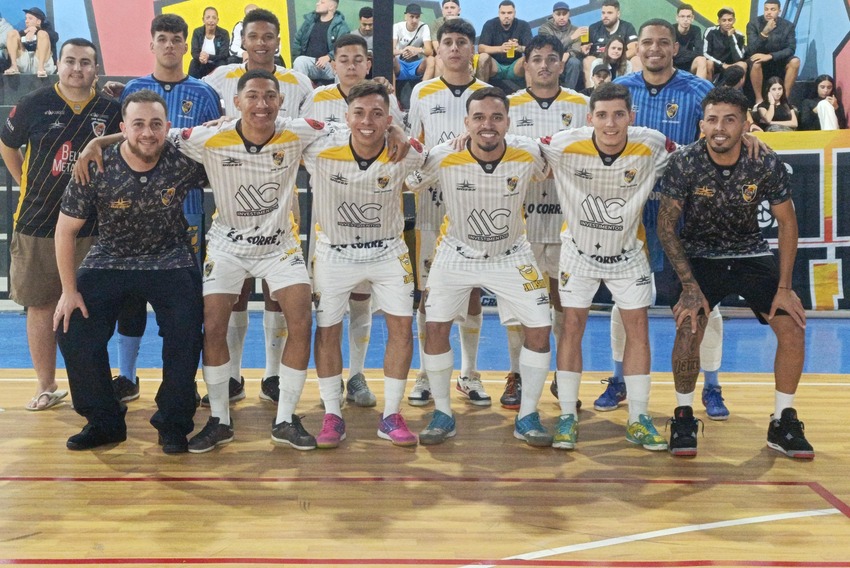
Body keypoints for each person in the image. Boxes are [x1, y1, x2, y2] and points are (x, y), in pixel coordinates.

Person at [658, 86, 813, 460]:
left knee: (791, 325)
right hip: (699, 255)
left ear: (745, 124)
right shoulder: (684, 163)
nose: (720, 127)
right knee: (688, 325)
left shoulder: (765, 162)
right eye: (712, 119)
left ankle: (782, 420)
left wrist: (784, 287)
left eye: (730, 119)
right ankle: (683, 416)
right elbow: (666, 227)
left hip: (750, 253)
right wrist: (690, 286)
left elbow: (788, 224)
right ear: (701, 125)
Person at [55, 90, 206, 454]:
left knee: (186, 329)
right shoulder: (95, 165)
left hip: (169, 259)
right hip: (110, 258)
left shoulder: (183, 157)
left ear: (168, 128)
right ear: (123, 128)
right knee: (72, 327)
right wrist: (68, 291)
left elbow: (234, 138)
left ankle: (172, 422)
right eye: (138, 124)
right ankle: (104, 421)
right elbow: (66, 230)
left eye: (156, 124)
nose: (147, 133)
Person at [406, 87, 553, 447]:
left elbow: (552, 166)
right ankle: (443, 412)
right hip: (457, 251)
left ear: (508, 121)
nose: (488, 125)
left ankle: (528, 414)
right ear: (466, 122)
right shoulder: (443, 156)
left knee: (540, 327)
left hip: (512, 253)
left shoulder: (528, 153)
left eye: (496, 117)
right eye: (479, 118)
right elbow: (409, 179)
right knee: (435, 325)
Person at [541, 82, 673, 451]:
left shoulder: (652, 143)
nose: (610, 124)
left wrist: (749, 139)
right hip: (578, 254)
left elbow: (695, 153)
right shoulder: (563, 144)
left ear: (631, 116)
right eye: (602, 115)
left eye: (618, 115)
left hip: (628, 253)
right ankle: (567, 414)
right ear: (590, 118)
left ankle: (638, 417)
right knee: (571, 328)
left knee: (639, 330)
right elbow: (517, 150)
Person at [102, 13, 223, 404]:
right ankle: (128, 376)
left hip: (186, 212)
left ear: (187, 45)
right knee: (131, 297)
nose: (170, 45)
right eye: (163, 39)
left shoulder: (203, 93)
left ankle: (189, 381)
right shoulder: (133, 89)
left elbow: (215, 149)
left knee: (187, 304)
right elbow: (117, 140)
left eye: (176, 39)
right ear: (151, 44)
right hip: (129, 212)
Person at [612, 19, 729, 421]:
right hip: (634, 215)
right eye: (647, 42)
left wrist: (748, 135)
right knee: (624, 303)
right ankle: (617, 379)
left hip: (690, 215)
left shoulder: (699, 91)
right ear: (636, 47)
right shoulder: (620, 91)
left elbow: (723, 130)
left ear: (676, 48)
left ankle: (712, 386)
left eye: (663, 42)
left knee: (704, 304)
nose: (655, 49)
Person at [0, 38, 121, 411]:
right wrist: (27, 183)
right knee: (40, 305)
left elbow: (133, 137)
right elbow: (8, 145)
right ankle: (46, 385)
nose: (77, 69)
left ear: (95, 69)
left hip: (91, 226)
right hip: (37, 222)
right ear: (59, 64)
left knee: (87, 308)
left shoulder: (110, 109)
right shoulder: (33, 104)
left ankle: (88, 386)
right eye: (70, 61)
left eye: (86, 62)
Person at [303, 80, 425, 448]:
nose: (367, 121)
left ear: (388, 118)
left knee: (402, 329)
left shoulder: (407, 152)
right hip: (335, 252)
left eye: (376, 114)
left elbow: (432, 162)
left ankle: (390, 414)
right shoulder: (320, 147)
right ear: (346, 116)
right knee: (326, 329)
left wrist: (401, 132)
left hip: (388, 252)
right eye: (359, 113)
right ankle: (331, 414)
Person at [204, 8, 314, 407]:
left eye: (269, 36)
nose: (262, 43)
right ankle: (231, 376)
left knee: (277, 291)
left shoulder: (299, 83)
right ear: (244, 41)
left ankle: (271, 375)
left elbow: (314, 132)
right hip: (233, 196)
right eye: (254, 36)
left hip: (280, 193)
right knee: (235, 289)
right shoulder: (218, 78)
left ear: (278, 41)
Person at [300, 33, 405, 407]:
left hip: (374, 215)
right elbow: (298, 146)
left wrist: (392, 128)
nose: (349, 65)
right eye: (342, 58)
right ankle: (314, 384)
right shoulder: (318, 98)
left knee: (362, 301)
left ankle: (357, 375)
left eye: (357, 59)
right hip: (330, 218)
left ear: (367, 63)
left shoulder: (384, 98)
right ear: (334, 62)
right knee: (327, 309)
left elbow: (398, 141)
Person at [499, 34, 588, 411]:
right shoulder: (508, 105)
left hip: (570, 224)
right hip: (522, 224)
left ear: (563, 62)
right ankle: (517, 374)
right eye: (538, 59)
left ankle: (559, 376)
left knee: (563, 304)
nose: (545, 65)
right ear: (526, 63)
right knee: (522, 306)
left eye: (553, 59)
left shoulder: (582, 105)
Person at [405, 18, 492, 408]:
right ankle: (426, 372)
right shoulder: (422, 92)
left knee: (471, 291)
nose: (455, 48)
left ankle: (469, 374)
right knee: (429, 294)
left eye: (462, 41)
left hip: (475, 207)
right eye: (448, 42)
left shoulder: (489, 93)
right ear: (437, 49)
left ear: (473, 49)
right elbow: (415, 151)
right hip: (431, 208)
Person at [746, 0, 800, 107]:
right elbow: (752, 49)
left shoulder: (788, 26)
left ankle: (785, 100)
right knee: (755, 61)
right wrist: (764, 33)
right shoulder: (753, 24)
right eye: (766, 9)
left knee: (795, 61)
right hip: (759, 61)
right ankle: (759, 100)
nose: (769, 12)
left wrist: (770, 56)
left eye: (772, 9)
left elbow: (790, 49)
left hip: (778, 60)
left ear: (779, 11)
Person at [475, 0, 533, 87]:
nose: (506, 16)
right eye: (503, 13)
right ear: (499, 13)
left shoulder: (523, 25)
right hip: (495, 66)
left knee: (529, 59)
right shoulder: (490, 24)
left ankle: (531, 94)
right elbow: (481, 48)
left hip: (515, 66)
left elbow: (532, 49)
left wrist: (519, 48)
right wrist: (500, 49)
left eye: (509, 13)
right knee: (483, 57)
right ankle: (480, 92)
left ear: (514, 13)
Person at [583, 0, 638, 88]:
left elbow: (634, 49)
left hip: (621, 60)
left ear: (618, 13)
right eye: (603, 13)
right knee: (588, 60)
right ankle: (592, 94)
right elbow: (585, 48)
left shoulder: (627, 27)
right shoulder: (593, 28)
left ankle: (632, 95)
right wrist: (584, 49)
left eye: (609, 13)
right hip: (601, 61)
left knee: (636, 60)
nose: (605, 16)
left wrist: (617, 57)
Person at [292, 0, 350, 84]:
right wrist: (295, 60)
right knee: (299, 61)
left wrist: (329, 57)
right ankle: (302, 94)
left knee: (341, 69)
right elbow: (297, 41)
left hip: (330, 66)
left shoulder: (341, 27)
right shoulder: (309, 22)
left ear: (331, 7)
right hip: (311, 64)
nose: (317, 3)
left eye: (322, 2)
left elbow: (344, 47)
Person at [537, 2, 589, 91]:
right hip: (550, 57)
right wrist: (572, 37)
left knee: (574, 62)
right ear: (553, 15)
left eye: (564, 14)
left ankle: (568, 92)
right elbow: (550, 47)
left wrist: (568, 54)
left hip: (568, 59)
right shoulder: (544, 29)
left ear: (569, 14)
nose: (561, 17)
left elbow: (576, 49)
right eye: (558, 14)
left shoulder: (575, 29)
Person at [3, 7, 58, 77]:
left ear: (38, 21)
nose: (26, 21)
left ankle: (41, 68)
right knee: (12, 33)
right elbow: (9, 41)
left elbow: (55, 37)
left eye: (30, 18)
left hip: (42, 63)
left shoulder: (47, 32)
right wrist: (24, 32)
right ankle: (14, 66)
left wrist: (37, 30)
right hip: (24, 62)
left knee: (42, 33)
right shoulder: (23, 32)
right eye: (26, 18)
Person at [703, 7, 747, 84]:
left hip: (731, 66)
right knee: (708, 63)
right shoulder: (710, 31)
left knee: (743, 64)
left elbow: (739, 58)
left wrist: (731, 37)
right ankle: (708, 91)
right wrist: (721, 64)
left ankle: (735, 93)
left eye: (730, 20)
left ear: (734, 20)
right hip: (715, 64)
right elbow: (705, 53)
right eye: (724, 20)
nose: (727, 23)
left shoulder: (739, 35)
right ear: (719, 21)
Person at [393, 3, 435, 83]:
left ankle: (423, 91)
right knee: (390, 59)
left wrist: (417, 50)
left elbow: (430, 51)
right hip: (400, 64)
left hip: (416, 65)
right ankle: (392, 94)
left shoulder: (424, 27)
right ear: (405, 16)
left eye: (417, 17)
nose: (414, 20)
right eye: (412, 17)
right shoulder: (397, 27)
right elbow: (391, 50)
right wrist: (404, 51)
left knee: (431, 60)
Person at [189, 6, 230, 78]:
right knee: (194, 62)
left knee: (222, 63)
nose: (211, 20)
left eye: (214, 18)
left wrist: (209, 57)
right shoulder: (197, 32)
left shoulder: (224, 33)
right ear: (203, 20)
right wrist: (200, 57)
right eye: (208, 17)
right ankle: (192, 86)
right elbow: (194, 52)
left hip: (216, 63)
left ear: (217, 20)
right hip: (202, 63)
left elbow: (224, 54)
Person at [672, 4, 707, 79]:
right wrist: (691, 54)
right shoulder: (671, 30)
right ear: (677, 18)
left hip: (689, 65)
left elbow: (700, 52)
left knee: (702, 59)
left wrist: (680, 54)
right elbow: (671, 53)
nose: (685, 19)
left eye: (688, 16)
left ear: (692, 18)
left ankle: (699, 89)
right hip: (673, 66)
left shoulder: (696, 30)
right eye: (682, 16)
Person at [430, 0, 461, 77]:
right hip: (442, 54)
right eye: (446, 8)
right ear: (442, 11)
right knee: (439, 59)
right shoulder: (436, 23)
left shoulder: (466, 24)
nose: (449, 11)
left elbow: (468, 46)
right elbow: (437, 46)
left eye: (452, 8)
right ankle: (438, 88)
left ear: (459, 10)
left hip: (460, 53)